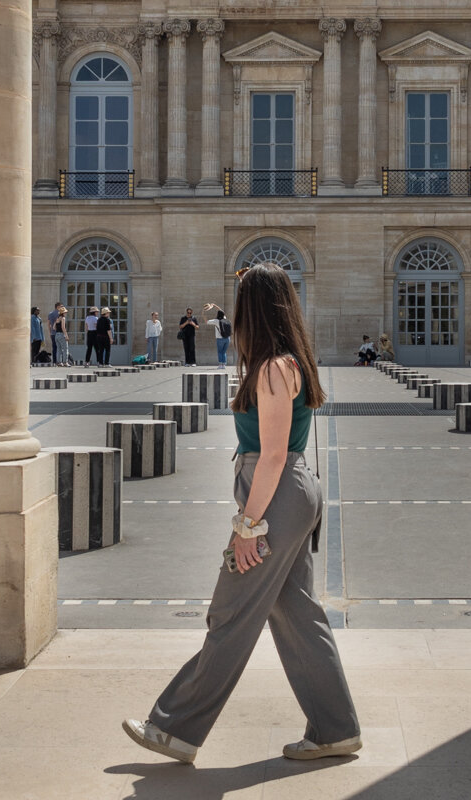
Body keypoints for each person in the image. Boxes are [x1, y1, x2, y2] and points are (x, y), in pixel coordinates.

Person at [123, 262, 361, 765]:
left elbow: (273, 455)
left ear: (253, 310)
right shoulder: (289, 361)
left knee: (230, 612)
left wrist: (247, 528)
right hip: (290, 493)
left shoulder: (273, 367)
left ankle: (175, 729)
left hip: (274, 495)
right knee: (298, 614)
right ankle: (335, 729)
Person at [203, 303, 230, 368]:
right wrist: (215, 305)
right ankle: (224, 364)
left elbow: (206, 321)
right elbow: (222, 311)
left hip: (220, 339)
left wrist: (203, 312)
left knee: (220, 352)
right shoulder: (225, 319)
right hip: (227, 338)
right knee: (224, 352)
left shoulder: (215, 321)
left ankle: (220, 364)